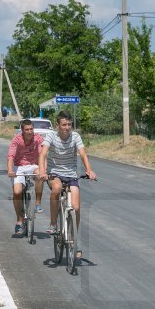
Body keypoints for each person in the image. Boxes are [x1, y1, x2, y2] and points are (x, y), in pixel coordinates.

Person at [37, 110, 96, 257]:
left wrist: (89, 170)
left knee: (76, 207)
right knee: (56, 188)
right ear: (58, 125)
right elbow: (43, 154)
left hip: (71, 175)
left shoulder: (75, 136)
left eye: (69, 124)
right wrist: (43, 172)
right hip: (54, 173)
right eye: (64, 124)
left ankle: (73, 237)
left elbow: (82, 153)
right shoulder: (51, 136)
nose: (67, 127)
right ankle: (53, 223)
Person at [7, 119, 44, 235]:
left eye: (31, 129)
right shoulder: (17, 140)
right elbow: (10, 157)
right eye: (27, 130)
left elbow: (42, 155)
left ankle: (37, 204)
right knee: (17, 192)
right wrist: (10, 170)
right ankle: (19, 220)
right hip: (19, 167)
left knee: (39, 175)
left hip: (33, 165)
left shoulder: (38, 138)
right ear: (22, 131)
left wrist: (43, 171)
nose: (29, 132)